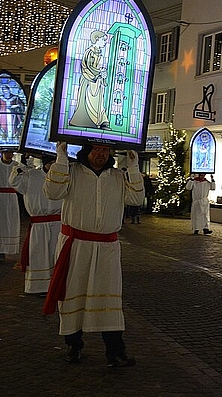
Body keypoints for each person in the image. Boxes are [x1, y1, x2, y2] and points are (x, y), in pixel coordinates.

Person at [43, 142, 144, 367]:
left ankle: (115, 351)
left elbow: (136, 200)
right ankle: (73, 345)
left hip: (107, 248)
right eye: (96, 149)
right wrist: (60, 157)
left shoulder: (117, 176)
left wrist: (134, 166)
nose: (101, 154)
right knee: (73, 293)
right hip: (75, 244)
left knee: (108, 297)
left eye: (105, 150)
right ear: (87, 151)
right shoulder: (72, 171)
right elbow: (52, 192)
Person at [9, 156, 62, 295]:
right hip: (39, 223)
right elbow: (14, 182)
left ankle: (55, 285)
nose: (52, 166)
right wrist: (20, 168)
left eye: (55, 163)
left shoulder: (63, 178)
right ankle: (38, 287)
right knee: (38, 254)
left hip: (58, 223)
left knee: (56, 254)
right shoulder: (33, 175)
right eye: (50, 163)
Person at [68, 30, 110, 130]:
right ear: (97, 39)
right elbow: (87, 66)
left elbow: (99, 68)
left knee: (98, 102)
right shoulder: (90, 52)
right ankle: (87, 121)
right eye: (103, 40)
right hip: (89, 80)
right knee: (87, 101)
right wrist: (99, 73)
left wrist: (103, 73)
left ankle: (101, 121)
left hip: (97, 82)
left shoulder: (99, 53)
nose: (105, 42)